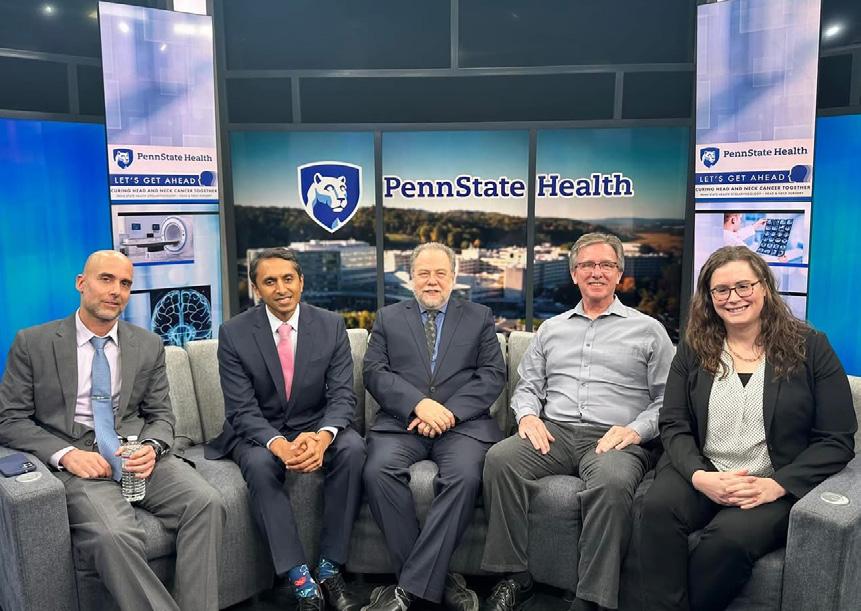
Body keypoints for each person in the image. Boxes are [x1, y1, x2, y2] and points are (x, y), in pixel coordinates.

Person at [0, 250, 225, 611]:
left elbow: (161, 415)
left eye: (125, 284)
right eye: (106, 279)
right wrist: (67, 455)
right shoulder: (33, 343)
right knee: (114, 534)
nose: (116, 291)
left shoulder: (148, 344)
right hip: (78, 462)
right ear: (81, 283)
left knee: (207, 503)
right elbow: (9, 419)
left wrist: (152, 446)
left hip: (136, 454)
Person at [639, 246, 857, 611]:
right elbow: (673, 422)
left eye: (743, 286)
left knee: (726, 541)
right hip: (704, 469)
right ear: (709, 298)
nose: (733, 297)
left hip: (771, 480)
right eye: (721, 290)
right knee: (657, 509)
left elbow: (837, 439)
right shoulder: (694, 347)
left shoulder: (811, 347)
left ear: (765, 287)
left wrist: (777, 485)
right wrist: (698, 476)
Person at [480, 233, 674, 611]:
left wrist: (636, 430)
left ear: (619, 274)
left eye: (606, 265)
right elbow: (528, 387)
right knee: (500, 460)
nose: (596, 272)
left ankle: (590, 598)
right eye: (587, 265)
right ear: (574, 274)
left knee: (613, 483)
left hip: (614, 438)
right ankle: (515, 577)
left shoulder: (649, 330)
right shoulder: (551, 329)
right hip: (554, 432)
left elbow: (667, 400)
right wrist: (528, 416)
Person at [205, 247, 366, 611]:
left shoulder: (330, 325)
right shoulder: (234, 333)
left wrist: (322, 438)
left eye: (288, 279)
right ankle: (299, 578)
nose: (281, 289)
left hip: (315, 425)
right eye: (270, 281)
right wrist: (277, 444)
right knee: (259, 464)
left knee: (354, 449)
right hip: (260, 429)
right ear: (256, 289)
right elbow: (241, 409)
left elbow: (342, 396)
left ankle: (329, 567)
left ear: (301, 282)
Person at [361, 242, 506, 611]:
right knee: (377, 471)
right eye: (423, 273)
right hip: (402, 423)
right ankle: (439, 582)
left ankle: (407, 591)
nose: (432, 281)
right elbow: (374, 372)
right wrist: (419, 405)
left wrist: (448, 413)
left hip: (462, 425)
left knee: (465, 478)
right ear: (411, 278)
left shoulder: (479, 316)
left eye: (440, 273)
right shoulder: (388, 318)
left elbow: (492, 375)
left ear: (453, 278)